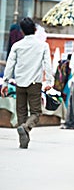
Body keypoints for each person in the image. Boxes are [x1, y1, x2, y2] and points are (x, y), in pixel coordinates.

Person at [0, 17, 52, 149]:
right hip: (35, 83)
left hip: (20, 82)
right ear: (35, 30)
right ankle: (26, 127)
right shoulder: (43, 45)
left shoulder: (17, 46)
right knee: (36, 112)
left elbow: (10, 65)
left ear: (22, 31)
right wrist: (50, 81)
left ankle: (23, 140)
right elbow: (47, 64)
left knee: (21, 112)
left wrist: (5, 83)